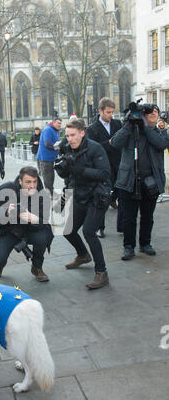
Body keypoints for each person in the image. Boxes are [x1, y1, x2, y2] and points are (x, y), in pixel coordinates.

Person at [55, 118, 112, 290]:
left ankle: (101, 272)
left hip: (97, 195)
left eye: (73, 135)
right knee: (67, 229)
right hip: (79, 194)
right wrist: (63, 170)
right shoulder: (67, 147)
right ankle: (82, 255)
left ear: (82, 133)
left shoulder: (95, 148)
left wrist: (79, 170)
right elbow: (67, 175)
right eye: (67, 135)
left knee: (88, 231)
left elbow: (104, 174)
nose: (70, 139)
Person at [111, 104, 169, 261]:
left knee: (147, 216)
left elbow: (162, 144)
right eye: (149, 111)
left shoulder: (160, 132)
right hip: (128, 181)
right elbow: (115, 143)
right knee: (129, 217)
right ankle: (128, 247)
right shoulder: (130, 131)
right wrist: (129, 125)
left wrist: (145, 127)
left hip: (150, 183)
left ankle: (145, 244)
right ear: (143, 115)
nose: (154, 113)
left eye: (156, 111)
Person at [0, 166, 53, 282]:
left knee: (43, 237)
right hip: (9, 229)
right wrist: (6, 212)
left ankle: (37, 267)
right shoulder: (7, 188)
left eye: (35, 182)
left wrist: (34, 220)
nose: (32, 186)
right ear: (20, 181)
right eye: (28, 182)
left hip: (31, 230)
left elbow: (44, 221)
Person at [86, 97, 122, 237]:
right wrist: (111, 142)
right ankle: (99, 227)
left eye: (112, 112)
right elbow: (95, 148)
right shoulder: (92, 128)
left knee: (121, 192)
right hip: (103, 168)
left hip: (118, 164)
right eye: (108, 112)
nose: (110, 115)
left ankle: (121, 224)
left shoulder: (117, 124)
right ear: (100, 111)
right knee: (101, 198)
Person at [37, 117, 62, 198]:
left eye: (60, 123)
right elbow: (47, 143)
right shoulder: (48, 130)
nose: (60, 125)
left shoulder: (54, 131)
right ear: (53, 123)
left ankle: (51, 192)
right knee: (48, 177)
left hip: (50, 158)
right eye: (58, 123)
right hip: (45, 158)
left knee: (51, 176)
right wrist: (58, 147)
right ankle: (50, 194)